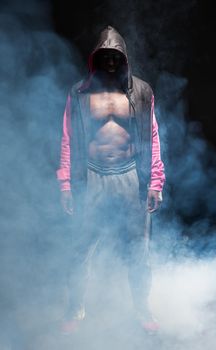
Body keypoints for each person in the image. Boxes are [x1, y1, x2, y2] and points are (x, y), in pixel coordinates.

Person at [56, 25, 165, 334]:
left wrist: (156, 182)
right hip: (92, 177)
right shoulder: (79, 93)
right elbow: (67, 138)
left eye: (116, 58)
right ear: (96, 59)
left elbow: (153, 137)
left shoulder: (141, 92)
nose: (111, 64)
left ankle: (142, 307)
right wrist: (66, 183)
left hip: (130, 177)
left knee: (138, 250)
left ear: (124, 60)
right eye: (105, 58)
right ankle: (75, 307)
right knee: (80, 248)